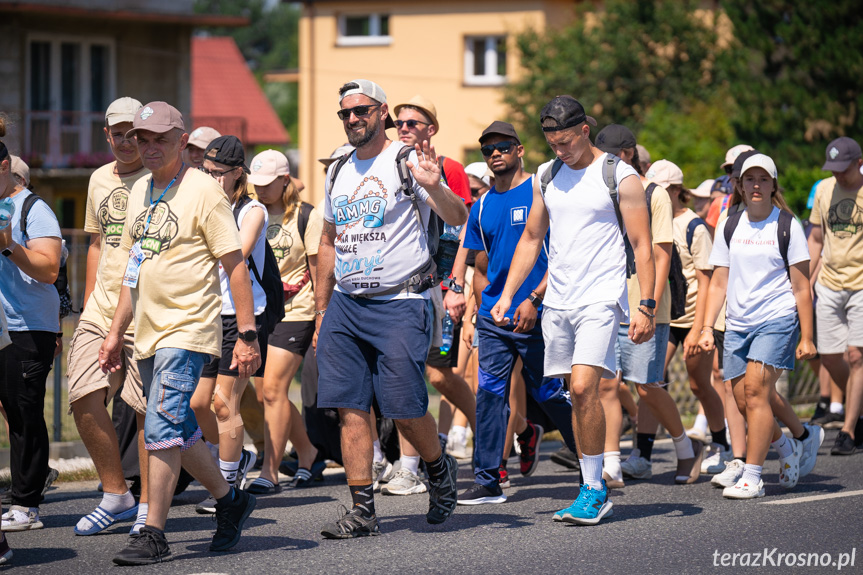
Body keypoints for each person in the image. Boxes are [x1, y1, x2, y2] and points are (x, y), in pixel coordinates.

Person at [99, 102, 258, 564]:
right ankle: (231, 501)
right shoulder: (139, 192)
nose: (146, 147)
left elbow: (235, 266)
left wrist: (247, 334)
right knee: (181, 429)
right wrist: (116, 332)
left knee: (162, 425)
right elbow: (135, 270)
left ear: (182, 143)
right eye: (140, 138)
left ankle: (153, 532)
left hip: (187, 329)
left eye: (158, 140)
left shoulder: (205, 191)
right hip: (147, 330)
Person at [492, 96, 655, 525]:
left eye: (566, 142)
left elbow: (642, 246)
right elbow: (531, 238)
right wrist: (508, 295)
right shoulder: (546, 176)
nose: (560, 151)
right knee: (573, 391)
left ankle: (596, 488)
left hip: (601, 297)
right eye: (552, 144)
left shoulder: (620, 176)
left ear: (584, 131)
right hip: (559, 300)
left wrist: (646, 305)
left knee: (585, 388)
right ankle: (589, 486)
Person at [315, 79, 465, 538]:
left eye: (361, 111)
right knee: (350, 406)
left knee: (403, 406)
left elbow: (456, 216)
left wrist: (434, 187)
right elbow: (327, 240)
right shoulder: (338, 165)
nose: (353, 119)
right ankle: (362, 511)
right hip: (345, 302)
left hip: (401, 300)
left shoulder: (405, 161)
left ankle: (438, 469)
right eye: (345, 113)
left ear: (382, 113)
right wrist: (322, 312)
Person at [454, 120, 579, 505]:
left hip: (537, 313)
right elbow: (481, 264)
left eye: (503, 147)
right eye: (488, 149)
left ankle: (594, 462)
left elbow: (562, 255)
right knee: (489, 393)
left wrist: (535, 300)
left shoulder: (541, 191)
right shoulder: (484, 204)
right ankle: (488, 478)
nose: (495, 154)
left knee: (550, 394)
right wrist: (478, 309)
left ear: (519, 150)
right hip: (496, 316)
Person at [699, 153, 821, 499]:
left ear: (773, 185)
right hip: (738, 323)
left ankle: (753, 477)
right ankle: (787, 447)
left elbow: (801, 288)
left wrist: (807, 336)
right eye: (749, 179)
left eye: (763, 179)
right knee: (741, 400)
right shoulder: (730, 224)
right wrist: (708, 327)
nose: (756, 185)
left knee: (755, 392)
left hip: (776, 319)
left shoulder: (787, 225)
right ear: (739, 185)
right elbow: (719, 282)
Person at [594, 127, 704, 488]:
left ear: (628, 154)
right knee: (607, 385)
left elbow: (660, 253)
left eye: (613, 155)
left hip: (647, 304)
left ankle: (686, 448)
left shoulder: (655, 194)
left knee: (647, 386)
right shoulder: (604, 191)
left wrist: (648, 306)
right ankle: (612, 464)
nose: (606, 161)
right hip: (610, 301)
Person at [67, 97, 152, 535]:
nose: (125, 141)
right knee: (82, 393)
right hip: (100, 309)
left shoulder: (161, 179)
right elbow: (97, 243)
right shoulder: (99, 179)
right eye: (117, 133)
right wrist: (87, 310)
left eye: (132, 133)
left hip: (146, 311)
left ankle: (147, 506)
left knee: (142, 410)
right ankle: (116, 493)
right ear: (107, 134)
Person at [383, 94, 476, 495]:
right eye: (399, 123)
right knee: (414, 375)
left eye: (413, 123)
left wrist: (455, 286)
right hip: (398, 292)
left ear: (431, 129)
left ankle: (499, 434)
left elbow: (462, 229)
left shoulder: (449, 168)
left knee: (438, 376)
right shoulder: (386, 164)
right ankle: (409, 465)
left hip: (437, 288)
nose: (404, 128)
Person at [190, 136, 268, 513]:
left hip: (241, 316)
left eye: (218, 173)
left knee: (224, 403)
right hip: (206, 314)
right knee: (197, 403)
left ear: (238, 174)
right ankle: (235, 458)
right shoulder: (203, 204)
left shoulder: (251, 210)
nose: (211, 178)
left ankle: (227, 479)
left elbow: (234, 253)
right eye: (205, 171)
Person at [244, 149, 325, 494]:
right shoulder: (250, 211)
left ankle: (270, 471)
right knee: (266, 395)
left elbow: (320, 270)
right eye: (255, 183)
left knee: (275, 389)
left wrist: (322, 317)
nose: (259, 190)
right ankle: (308, 452)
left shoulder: (307, 216)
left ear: (284, 180)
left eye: (267, 184)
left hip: (298, 310)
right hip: (263, 313)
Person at [0, 114, 62, 533]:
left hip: (27, 327)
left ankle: (26, 504)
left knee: (23, 413)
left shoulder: (33, 209)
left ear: (4, 167)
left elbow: (49, 269)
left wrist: (9, 246)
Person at [654, 159, 731, 475]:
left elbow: (706, 280)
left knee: (700, 384)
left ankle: (721, 444)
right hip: (667, 318)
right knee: (650, 380)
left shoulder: (694, 226)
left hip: (694, 319)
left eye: (659, 189)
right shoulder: (651, 220)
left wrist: (701, 329)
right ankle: (654, 450)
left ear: (675, 190)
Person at [808, 137, 863, 455]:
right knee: (828, 356)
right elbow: (816, 238)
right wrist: (806, 281)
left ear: (858, 163)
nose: (838, 175)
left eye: (844, 169)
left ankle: (849, 430)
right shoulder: (825, 190)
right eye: (834, 169)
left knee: (856, 356)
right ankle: (858, 403)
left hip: (860, 285)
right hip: (828, 283)